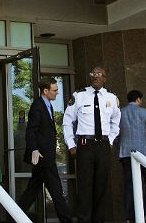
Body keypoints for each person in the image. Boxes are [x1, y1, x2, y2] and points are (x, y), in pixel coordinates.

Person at [63, 66, 121, 223]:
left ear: (104, 78)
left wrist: (110, 140)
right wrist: (71, 144)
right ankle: (84, 220)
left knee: (101, 185)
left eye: (99, 74)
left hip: (103, 145)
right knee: (85, 186)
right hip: (85, 145)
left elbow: (116, 121)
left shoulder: (111, 98)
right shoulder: (79, 95)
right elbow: (67, 121)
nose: (95, 76)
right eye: (93, 74)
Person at [17, 77, 72, 223]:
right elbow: (31, 131)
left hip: (45, 157)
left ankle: (13, 217)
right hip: (43, 157)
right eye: (55, 90)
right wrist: (34, 149)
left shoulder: (47, 105)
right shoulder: (37, 106)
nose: (57, 93)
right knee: (57, 192)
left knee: (31, 192)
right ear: (45, 91)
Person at [118, 90, 146, 223]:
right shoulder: (144, 112)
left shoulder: (120, 113)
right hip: (144, 152)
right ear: (138, 99)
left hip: (125, 153)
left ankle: (129, 217)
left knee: (130, 184)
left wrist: (121, 145)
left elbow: (116, 134)